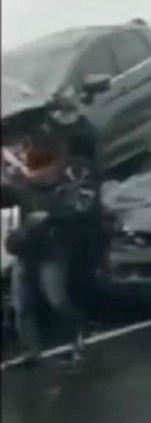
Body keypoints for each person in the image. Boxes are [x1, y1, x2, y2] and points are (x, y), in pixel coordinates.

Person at [3, 117, 103, 366]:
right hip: (26, 248)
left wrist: (47, 217)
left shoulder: (60, 182)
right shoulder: (22, 182)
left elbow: (71, 210)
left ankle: (79, 331)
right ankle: (31, 351)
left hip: (50, 247)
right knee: (23, 305)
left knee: (56, 300)